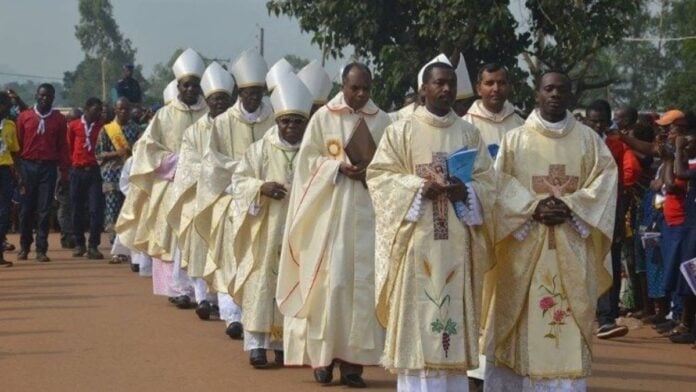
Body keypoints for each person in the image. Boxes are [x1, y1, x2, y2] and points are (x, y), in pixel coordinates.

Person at [367, 60, 496, 391]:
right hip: (417, 242)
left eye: (451, 83)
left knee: (449, 338)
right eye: (439, 83)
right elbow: (379, 177)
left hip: (456, 242)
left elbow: (489, 184)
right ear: (424, 88)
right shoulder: (401, 131)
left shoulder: (469, 133)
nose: (446, 89)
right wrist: (417, 187)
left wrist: (464, 190)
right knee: (418, 339)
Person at [485, 72, 617, 391]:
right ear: (537, 94)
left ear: (571, 96)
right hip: (525, 247)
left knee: (569, 322)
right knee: (523, 321)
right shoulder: (516, 140)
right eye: (549, 89)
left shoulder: (588, 140)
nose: (555, 94)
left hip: (573, 244)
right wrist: (534, 206)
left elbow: (606, 182)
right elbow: (498, 186)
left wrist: (571, 205)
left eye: (562, 90)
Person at [276, 63, 390, 388]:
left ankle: (353, 365)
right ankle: (323, 360)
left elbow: (393, 163)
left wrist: (372, 171)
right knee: (331, 286)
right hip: (331, 218)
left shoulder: (382, 120)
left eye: (366, 88)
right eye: (355, 88)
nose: (361, 95)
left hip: (369, 216)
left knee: (362, 289)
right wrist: (337, 167)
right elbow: (307, 162)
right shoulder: (324, 118)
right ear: (343, 85)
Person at [230, 72, 313, 368]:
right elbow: (238, 182)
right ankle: (256, 344)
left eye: (297, 121)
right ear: (276, 121)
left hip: (301, 233)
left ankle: (283, 343)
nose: (291, 126)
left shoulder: (313, 151)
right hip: (266, 230)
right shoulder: (260, 150)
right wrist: (260, 188)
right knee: (262, 282)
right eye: (285, 121)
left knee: (296, 282)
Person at [115, 48, 207, 304]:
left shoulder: (209, 114)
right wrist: (177, 162)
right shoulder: (165, 115)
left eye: (195, 85)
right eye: (186, 85)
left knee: (197, 236)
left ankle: (199, 291)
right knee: (170, 237)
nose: (190, 90)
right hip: (171, 184)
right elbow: (146, 148)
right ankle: (176, 289)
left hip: (201, 185)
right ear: (178, 86)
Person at [194, 49, 274, 338]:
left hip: (269, 202)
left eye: (257, 92)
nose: (253, 97)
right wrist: (245, 174)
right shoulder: (223, 122)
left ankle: (259, 315)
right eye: (248, 92)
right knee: (231, 258)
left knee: (260, 263)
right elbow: (213, 163)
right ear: (239, 91)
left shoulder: (276, 119)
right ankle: (232, 315)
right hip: (232, 200)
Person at [167, 62, 235, 320]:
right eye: (215, 99)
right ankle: (202, 296)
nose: (219, 103)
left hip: (231, 196)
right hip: (201, 197)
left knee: (227, 251)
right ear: (207, 100)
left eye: (224, 99)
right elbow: (190, 164)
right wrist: (219, 175)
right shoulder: (194, 132)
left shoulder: (235, 126)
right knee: (198, 245)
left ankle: (223, 299)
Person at [585, 99, 631, 339]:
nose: (598, 125)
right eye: (594, 120)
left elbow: (620, 184)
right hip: (580, 212)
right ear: (586, 120)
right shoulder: (577, 143)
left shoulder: (616, 147)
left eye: (602, 120)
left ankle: (607, 316)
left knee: (608, 261)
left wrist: (620, 218)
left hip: (607, 212)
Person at [16, 83, 69, 262]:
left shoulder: (59, 119)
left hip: (48, 167)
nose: (44, 98)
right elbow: (18, 144)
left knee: (45, 210)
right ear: (36, 96)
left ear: (53, 98)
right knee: (26, 210)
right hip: (27, 166)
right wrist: (18, 171)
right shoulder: (25, 117)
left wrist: (64, 173)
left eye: (48, 96)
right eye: (41, 95)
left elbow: (63, 147)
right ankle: (24, 246)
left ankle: (41, 248)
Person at [95, 97, 141, 259]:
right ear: (115, 110)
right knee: (113, 212)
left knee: (130, 212)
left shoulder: (136, 130)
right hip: (112, 177)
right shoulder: (107, 130)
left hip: (130, 177)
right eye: (120, 109)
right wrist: (116, 153)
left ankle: (130, 247)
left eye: (126, 109)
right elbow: (98, 154)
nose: (123, 112)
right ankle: (117, 249)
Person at [66, 97, 105, 259]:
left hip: (95, 171)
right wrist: (69, 168)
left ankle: (93, 245)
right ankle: (79, 243)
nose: (99, 113)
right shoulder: (74, 126)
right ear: (87, 109)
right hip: (78, 170)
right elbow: (68, 147)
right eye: (96, 110)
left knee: (96, 209)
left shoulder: (102, 127)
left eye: (100, 111)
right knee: (76, 209)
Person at [463, 63, 524, 158]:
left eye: (501, 83)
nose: (496, 89)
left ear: (509, 87)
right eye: (489, 83)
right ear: (479, 89)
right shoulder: (465, 125)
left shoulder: (521, 125)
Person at [0, 91, 20, 267]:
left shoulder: (10, 126)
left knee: (5, 212)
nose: (8, 108)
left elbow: (14, 151)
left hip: (5, 170)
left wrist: (18, 175)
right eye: (6, 104)